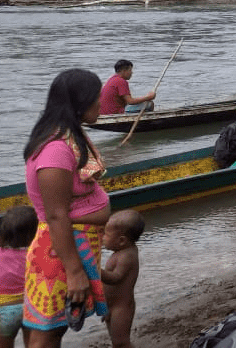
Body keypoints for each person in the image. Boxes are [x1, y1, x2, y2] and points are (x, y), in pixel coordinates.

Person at [22, 69, 111, 345]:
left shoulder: (70, 137)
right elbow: (56, 214)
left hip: (70, 247)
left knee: (55, 327)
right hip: (60, 252)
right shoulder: (56, 150)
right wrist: (74, 272)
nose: (101, 103)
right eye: (96, 98)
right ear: (80, 103)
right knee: (46, 333)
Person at [0, 205, 38, 348]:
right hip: (31, 308)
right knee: (32, 343)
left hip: (6, 311)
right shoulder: (36, 255)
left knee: (3, 344)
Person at [100, 210, 145, 348]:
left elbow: (115, 278)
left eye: (105, 234)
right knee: (116, 342)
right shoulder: (120, 252)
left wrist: (95, 271)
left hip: (122, 307)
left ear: (121, 241)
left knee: (122, 343)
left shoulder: (127, 256)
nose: (101, 236)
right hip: (111, 305)